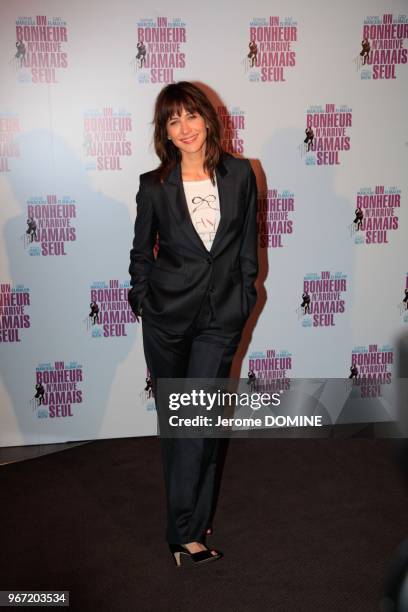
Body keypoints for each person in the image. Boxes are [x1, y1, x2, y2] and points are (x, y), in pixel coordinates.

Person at [128, 81, 258, 567]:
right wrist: (143, 299)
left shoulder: (242, 174)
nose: (184, 128)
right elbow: (142, 252)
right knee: (178, 425)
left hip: (221, 317)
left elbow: (247, 248)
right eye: (172, 120)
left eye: (190, 116)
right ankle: (191, 526)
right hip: (166, 318)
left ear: (208, 118)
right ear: (165, 130)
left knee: (200, 422)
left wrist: (244, 297)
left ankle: (185, 531)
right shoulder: (154, 184)